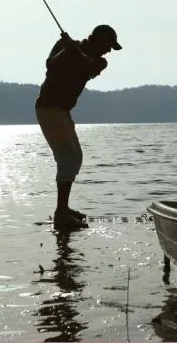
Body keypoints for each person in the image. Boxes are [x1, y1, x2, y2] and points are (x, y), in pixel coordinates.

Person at [35, 24, 122, 228]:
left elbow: (89, 68)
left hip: (63, 112)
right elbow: (51, 66)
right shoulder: (64, 45)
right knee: (67, 160)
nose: (109, 51)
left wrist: (72, 51)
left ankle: (63, 209)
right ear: (97, 39)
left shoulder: (100, 62)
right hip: (49, 109)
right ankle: (61, 214)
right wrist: (67, 50)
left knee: (76, 158)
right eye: (108, 45)